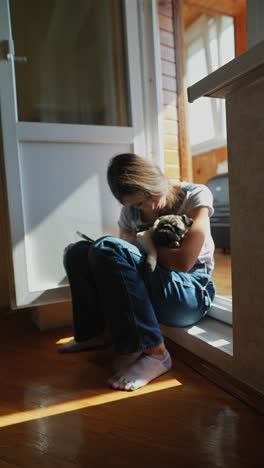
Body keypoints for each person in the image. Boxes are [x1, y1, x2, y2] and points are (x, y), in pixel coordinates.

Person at [58, 153, 216, 391]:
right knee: (78, 252)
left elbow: (183, 261)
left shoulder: (195, 195)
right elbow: (121, 270)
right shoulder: (130, 213)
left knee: (108, 247)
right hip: (152, 286)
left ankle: (156, 353)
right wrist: (136, 248)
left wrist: (145, 244)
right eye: (138, 204)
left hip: (188, 292)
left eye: (151, 196)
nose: (149, 206)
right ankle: (96, 333)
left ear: (158, 180)